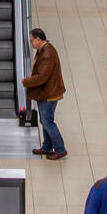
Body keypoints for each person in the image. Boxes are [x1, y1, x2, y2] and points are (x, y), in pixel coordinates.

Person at [23, 28, 67, 160]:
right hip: (46, 92)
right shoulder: (44, 50)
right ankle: (47, 147)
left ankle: (60, 149)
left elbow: (42, 77)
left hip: (49, 93)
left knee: (47, 121)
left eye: (32, 41)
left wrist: (27, 82)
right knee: (44, 120)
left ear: (38, 39)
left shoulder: (47, 54)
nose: (31, 43)